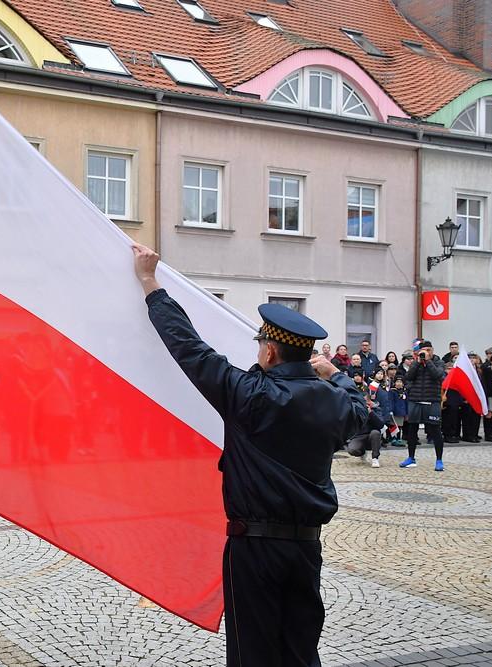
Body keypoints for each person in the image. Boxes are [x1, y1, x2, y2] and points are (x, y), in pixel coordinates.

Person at [132, 244, 367, 667]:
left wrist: (151, 286)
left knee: (252, 654)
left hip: (254, 549)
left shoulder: (250, 395)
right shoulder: (334, 402)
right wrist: (337, 374)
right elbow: (362, 413)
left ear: (269, 351)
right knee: (299, 651)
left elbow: (190, 349)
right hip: (306, 549)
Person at [401, 340, 445, 471]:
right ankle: (411, 457)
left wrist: (428, 361)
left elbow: (437, 375)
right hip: (415, 400)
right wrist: (417, 363)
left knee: (435, 431)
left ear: (432, 350)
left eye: (429, 350)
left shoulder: (438, 362)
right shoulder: (416, 363)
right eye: (423, 350)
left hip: (432, 401)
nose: (426, 353)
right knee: (412, 431)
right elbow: (408, 377)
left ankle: (439, 460)